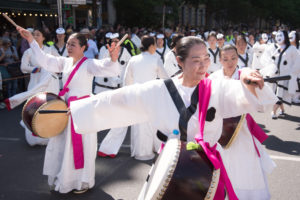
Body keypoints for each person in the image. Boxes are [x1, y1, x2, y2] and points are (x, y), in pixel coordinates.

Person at [70, 36, 277, 199]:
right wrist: (78, 108)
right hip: (170, 168)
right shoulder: (159, 90)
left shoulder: (216, 87)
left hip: (205, 169)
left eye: (206, 59)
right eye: (196, 61)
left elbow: (242, 92)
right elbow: (119, 100)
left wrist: (248, 80)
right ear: (179, 61)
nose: (203, 65)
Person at [17, 25, 120, 194]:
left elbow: (106, 67)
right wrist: (31, 40)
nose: (69, 47)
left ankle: (81, 182)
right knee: (61, 144)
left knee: (83, 146)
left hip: (82, 111)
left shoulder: (89, 64)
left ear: (83, 48)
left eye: (73, 44)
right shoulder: (64, 62)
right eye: (69, 44)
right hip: (64, 110)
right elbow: (44, 60)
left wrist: (113, 59)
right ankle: (62, 178)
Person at [209, 45, 276, 199]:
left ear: (238, 58)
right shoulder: (214, 78)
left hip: (240, 129)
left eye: (233, 58)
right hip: (219, 131)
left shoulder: (244, 75)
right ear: (219, 60)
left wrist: (253, 86)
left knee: (246, 166)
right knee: (223, 166)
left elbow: (262, 104)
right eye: (225, 59)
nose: (229, 62)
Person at [261, 30, 300, 119]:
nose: (278, 38)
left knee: (280, 94)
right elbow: (267, 59)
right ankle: (282, 109)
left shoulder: (292, 49)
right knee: (277, 94)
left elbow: (297, 62)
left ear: (285, 37)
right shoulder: (274, 47)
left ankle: (273, 111)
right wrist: (270, 68)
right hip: (275, 76)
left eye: (280, 35)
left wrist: (293, 73)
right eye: (277, 36)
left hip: (286, 77)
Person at [289, 30, 300, 103]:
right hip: (290, 67)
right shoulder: (288, 47)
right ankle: (289, 97)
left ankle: (296, 97)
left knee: (298, 83)